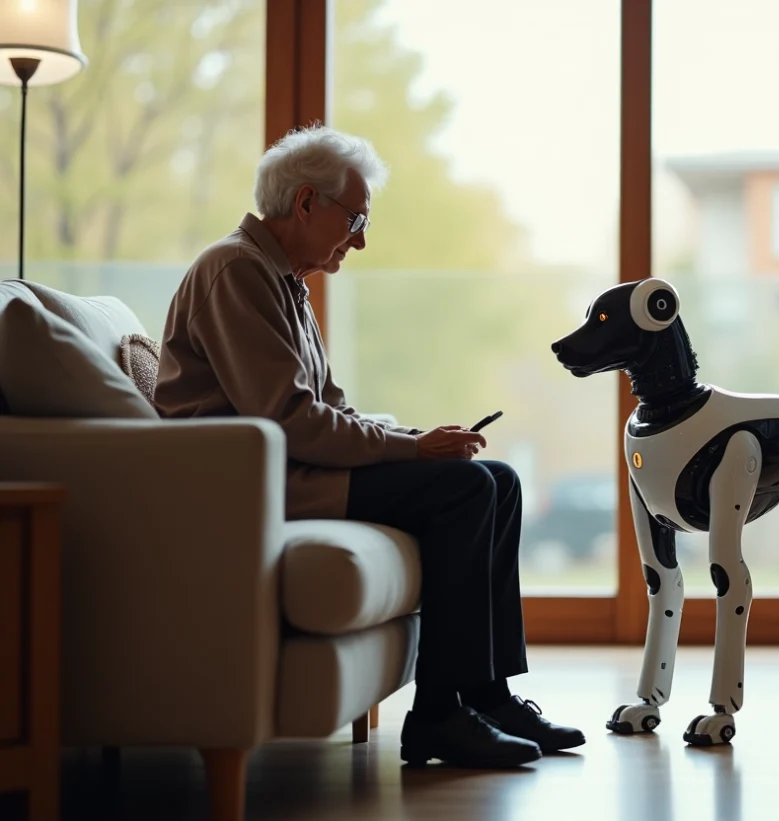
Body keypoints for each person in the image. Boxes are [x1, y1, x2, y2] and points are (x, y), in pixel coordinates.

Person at [153, 124, 585, 769]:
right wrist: (415, 453)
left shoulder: (282, 280)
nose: (359, 238)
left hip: (293, 469)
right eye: (353, 218)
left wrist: (420, 440)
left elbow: (331, 409)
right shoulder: (235, 271)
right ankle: (439, 716)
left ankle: (489, 696)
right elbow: (292, 420)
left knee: (498, 478)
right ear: (305, 203)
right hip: (259, 483)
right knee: (468, 489)